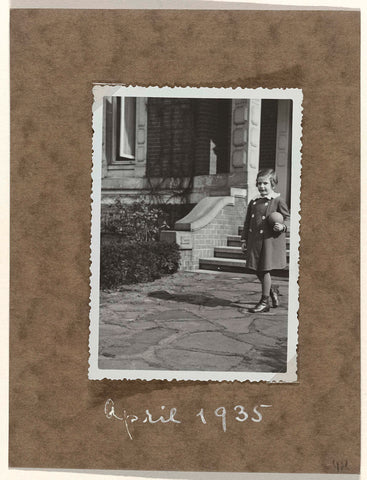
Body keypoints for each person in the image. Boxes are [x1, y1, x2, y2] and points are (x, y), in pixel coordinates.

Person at [241, 169, 290, 313]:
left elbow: (288, 218)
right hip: (255, 241)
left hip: (269, 241)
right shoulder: (254, 202)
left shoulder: (278, 200)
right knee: (256, 269)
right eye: (259, 183)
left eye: (265, 183)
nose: (261, 186)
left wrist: (282, 226)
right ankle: (272, 289)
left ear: (273, 184)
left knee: (264, 269)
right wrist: (244, 239)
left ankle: (264, 301)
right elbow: (247, 222)